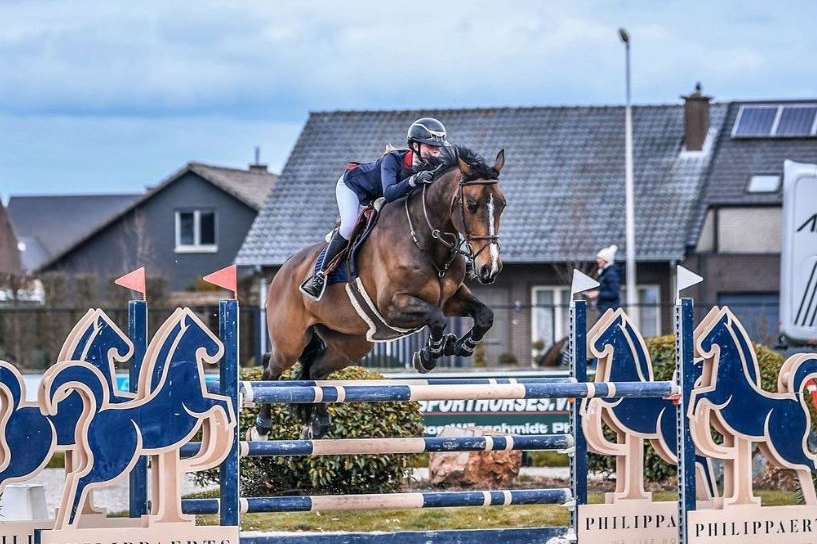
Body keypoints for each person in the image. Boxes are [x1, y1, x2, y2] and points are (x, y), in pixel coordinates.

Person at [299, 117, 451, 301]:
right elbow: (389, 193)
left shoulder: (434, 167)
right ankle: (320, 276)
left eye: (438, 149)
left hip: (379, 197)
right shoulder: (392, 160)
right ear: (415, 146)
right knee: (349, 226)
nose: (435, 153)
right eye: (430, 147)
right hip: (353, 187)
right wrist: (414, 180)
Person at [587, 244, 622, 316]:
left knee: (600, 327)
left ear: (606, 260)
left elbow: (614, 293)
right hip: (605, 309)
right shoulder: (606, 273)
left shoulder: (611, 274)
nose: (597, 260)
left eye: (600, 258)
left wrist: (598, 294)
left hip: (609, 310)